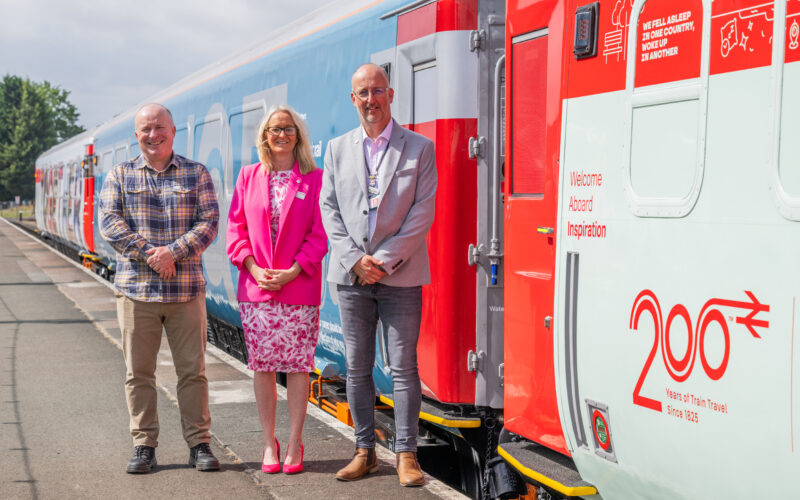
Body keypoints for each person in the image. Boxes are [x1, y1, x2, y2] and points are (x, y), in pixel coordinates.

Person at [320, 63, 437, 486]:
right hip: (350, 277)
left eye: (377, 91)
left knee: (404, 366)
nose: (370, 100)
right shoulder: (336, 149)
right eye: (362, 93)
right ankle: (365, 451)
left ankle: (407, 455)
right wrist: (355, 260)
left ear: (390, 95)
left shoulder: (419, 148)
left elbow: (422, 213)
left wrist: (383, 260)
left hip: (400, 276)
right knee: (357, 367)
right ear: (353, 99)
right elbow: (329, 209)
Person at [99, 103, 220, 473]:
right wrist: (151, 255)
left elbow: (210, 222)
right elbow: (109, 222)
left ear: (173, 130)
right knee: (138, 374)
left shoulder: (196, 173)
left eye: (159, 127)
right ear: (136, 136)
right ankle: (143, 445)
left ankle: (199, 443)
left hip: (186, 292)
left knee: (194, 372)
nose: (153, 135)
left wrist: (173, 252)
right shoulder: (119, 174)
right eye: (145, 130)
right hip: (136, 292)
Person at [226, 105, 327, 475]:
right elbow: (235, 231)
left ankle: (295, 440)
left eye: (287, 128)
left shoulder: (315, 179)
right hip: (257, 289)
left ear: (297, 135)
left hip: (299, 286)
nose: (280, 134)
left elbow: (321, 233)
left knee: (299, 367)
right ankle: (269, 442)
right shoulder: (248, 176)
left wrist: (292, 271)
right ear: (264, 137)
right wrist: (253, 267)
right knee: (263, 367)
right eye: (273, 129)